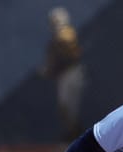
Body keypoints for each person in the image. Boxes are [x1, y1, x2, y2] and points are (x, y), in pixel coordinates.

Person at [39, 7, 85, 142]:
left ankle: (76, 136)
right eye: (53, 21)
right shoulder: (56, 37)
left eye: (56, 20)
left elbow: (70, 53)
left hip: (73, 73)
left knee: (70, 106)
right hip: (64, 75)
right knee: (64, 106)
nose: (55, 23)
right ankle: (72, 134)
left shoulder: (66, 34)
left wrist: (52, 67)